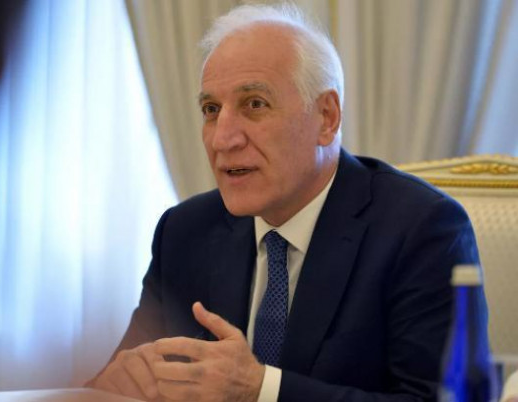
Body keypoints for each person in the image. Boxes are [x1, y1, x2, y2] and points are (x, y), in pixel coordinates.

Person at [91, 4, 484, 402]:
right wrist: (116, 384)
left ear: (326, 117)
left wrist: (260, 388)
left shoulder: (422, 229)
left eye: (254, 104)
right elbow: (117, 382)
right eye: (211, 110)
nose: (223, 139)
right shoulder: (184, 231)